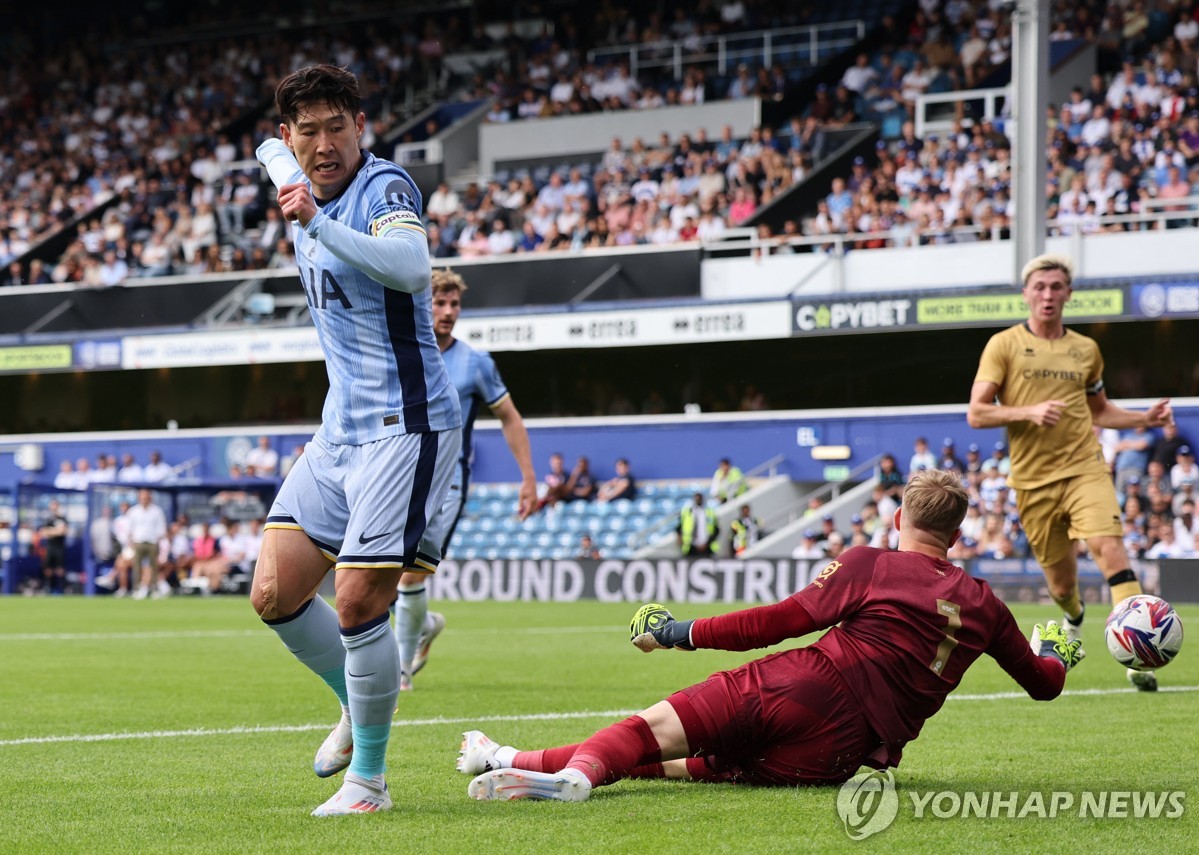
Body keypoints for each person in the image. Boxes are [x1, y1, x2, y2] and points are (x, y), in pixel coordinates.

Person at [458, 470, 1084, 802]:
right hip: (840, 757)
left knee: (648, 732)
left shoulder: (872, 561)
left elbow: (778, 622)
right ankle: (505, 758)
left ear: (899, 518)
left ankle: (578, 778)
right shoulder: (986, 605)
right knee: (671, 764)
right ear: (957, 531)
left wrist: (680, 630)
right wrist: (1055, 651)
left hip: (809, 687)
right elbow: (1044, 685)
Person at [250, 64, 462, 817]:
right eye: (308, 131)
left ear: (361, 127)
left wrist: (314, 218)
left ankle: (368, 782)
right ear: (290, 136)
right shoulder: (291, 166)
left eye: (338, 126)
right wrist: (279, 163)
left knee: (356, 598)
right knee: (273, 591)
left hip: (405, 426)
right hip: (338, 430)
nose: (324, 143)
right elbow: (268, 155)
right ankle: (354, 696)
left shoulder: (386, 188)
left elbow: (410, 267)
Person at [967, 253, 1172, 691]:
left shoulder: (1086, 349)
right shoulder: (1003, 344)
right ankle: (1074, 615)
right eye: (1039, 286)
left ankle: (1139, 656)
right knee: (1061, 583)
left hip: (1085, 468)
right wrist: (1029, 411)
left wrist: (1141, 419)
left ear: (1068, 294)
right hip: (1032, 481)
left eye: (1056, 286)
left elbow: (1100, 410)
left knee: (1109, 549)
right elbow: (977, 413)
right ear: (1026, 293)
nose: (1048, 294)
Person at [394, 268, 537, 691]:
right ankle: (424, 624)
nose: (448, 311)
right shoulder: (402, 352)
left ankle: (400, 671)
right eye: (440, 302)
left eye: (455, 304)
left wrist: (528, 478)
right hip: (399, 475)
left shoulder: (476, 363)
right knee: (389, 574)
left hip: (447, 481)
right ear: (423, 304)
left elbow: (509, 417)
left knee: (410, 574)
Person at [127, 488, 168, 600]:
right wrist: (130, 541)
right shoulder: (134, 511)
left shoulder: (157, 511)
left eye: (146, 497)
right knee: (137, 567)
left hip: (152, 542)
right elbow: (130, 528)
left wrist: (159, 541)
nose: (144, 500)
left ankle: (154, 589)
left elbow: (161, 528)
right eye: (142, 498)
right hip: (138, 542)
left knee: (154, 567)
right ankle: (137, 589)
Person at [37, 500, 69, 595]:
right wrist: (55, 531)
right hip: (50, 547)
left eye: (55, 506)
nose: (53, 508)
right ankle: (49, 587)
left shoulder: (62, 519)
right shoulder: (48, 519)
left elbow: (63, 531)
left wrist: (50, 531)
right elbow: (42, 532)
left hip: (59, 547)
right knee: (48, 568)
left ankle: (61, 588)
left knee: (60, 569)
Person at [677, 491, 718, 556]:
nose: (698, 500)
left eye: (699, 498)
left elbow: (716, 529)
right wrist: (680, 538)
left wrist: (707, 543)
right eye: (696, 498)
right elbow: (679, 527)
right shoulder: (687, 512)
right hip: (690, 546)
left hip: (707, 546)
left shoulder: (709, 512)